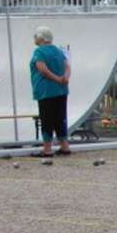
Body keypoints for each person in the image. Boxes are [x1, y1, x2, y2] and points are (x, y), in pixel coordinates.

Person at [29, 26, 71, 157]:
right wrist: (65, 78)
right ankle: (65, 146)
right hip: (62, 90)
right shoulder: (59, 51)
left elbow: (42, 69)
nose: (35, 39)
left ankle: (47, 149)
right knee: (60, 118)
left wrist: (57, 79)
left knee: (47, 119)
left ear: (41, 38)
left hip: (46, 90)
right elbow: (68, 66)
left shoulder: (39, 51)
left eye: (36, 36)